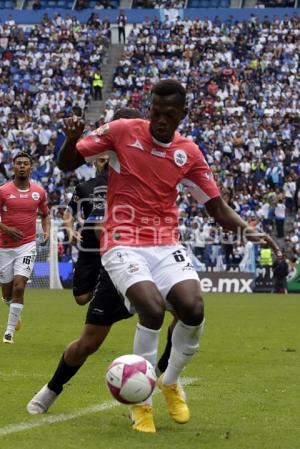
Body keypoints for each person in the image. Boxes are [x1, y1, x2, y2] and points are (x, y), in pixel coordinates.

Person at [53, 79, 281, 433]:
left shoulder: (188, 152)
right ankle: (141, 404)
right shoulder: (122, 130)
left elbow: (217, 208)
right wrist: (70, 138)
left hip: (164, 244)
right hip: (122, 241)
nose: (160, 119)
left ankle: (170, 381)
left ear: (182, 115)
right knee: (153, 308)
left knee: (193, 308)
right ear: (150, 109)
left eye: (169, 114)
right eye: (155, 112)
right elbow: (66, 165)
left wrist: (250, 232)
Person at [27, 108, 177, 419]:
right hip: (118, 263)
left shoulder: (158, 165)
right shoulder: (101, 180)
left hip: (154, 257)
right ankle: (51, 389)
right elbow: (70, 168)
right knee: (89, 342)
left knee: (187, 311)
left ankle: (161, 374)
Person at [0, 152, 50, 344]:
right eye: (18, 163)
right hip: (4, 246)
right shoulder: (3, 191)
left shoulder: (39, 192)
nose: (22, 166)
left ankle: (9, 332)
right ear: (14, 167)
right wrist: (6, 229)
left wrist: (46, 231)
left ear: (31, 167)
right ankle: (14, 311)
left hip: (27, 245)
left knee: (19, 286)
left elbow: (45, 214)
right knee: (6, 293)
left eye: (25, 163)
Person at [63, 155, 109, 305]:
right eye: (102, 160)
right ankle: (98, 282)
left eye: (109, 161)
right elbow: (69, 214)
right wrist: (70, 231)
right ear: (95, 163)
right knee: (81, 298)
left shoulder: (122, 187)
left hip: (112, 245)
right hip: (89, 245)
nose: (106, 164)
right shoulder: (84, 187)